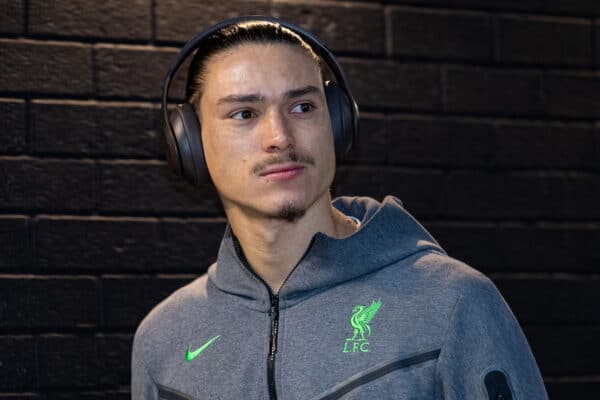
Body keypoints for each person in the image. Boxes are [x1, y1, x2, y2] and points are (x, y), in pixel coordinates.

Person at [131, 16, 548, 400]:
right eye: (244, 113)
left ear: (337, 123)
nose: (279, 136)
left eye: (302, 107)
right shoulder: (163, 340)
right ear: (190, 145)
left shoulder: (453, 303)